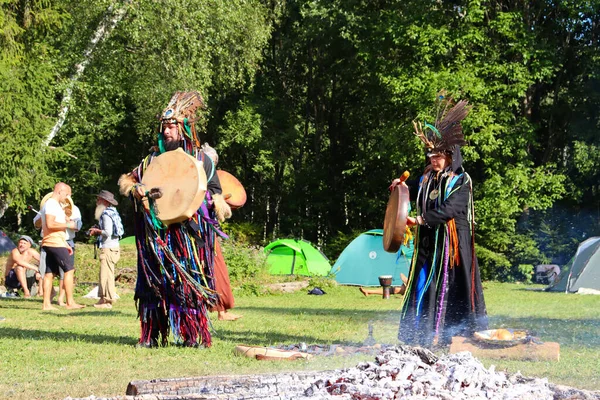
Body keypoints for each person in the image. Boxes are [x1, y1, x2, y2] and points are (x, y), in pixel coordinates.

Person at [118, 91, 231, 347]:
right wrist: (137, 191)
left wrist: (212, 202)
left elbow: (215, 192)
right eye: (164, 127)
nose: (167, 132)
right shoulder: (151, 160)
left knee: (188, 284)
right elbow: (130, 182)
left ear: (185, 130)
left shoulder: (201, 161)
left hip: (188, 236)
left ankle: (194, 336)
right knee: (153, 284)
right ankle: (152, 337)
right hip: (156, 237)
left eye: (172, 127)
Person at [390, 96, 487, 347]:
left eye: (439, 156)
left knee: (448, 286)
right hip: (428, 242)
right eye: (431, 155)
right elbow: (408, 190)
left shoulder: (460, 181)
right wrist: (398, 186)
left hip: (452, 246)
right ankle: (418, 334)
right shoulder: (426, 179)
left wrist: (420, 219)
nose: (434, 160)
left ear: (450, 156)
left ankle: (450, 336)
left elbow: (450, 209)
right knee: (422, 282)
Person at [201, 143, 241, 321]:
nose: (214, 165)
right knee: (212, 267)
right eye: (212, 161)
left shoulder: (212, 177)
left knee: (216, 267)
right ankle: (219, 311)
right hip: (198, 229)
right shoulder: (197, 173)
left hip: (207, 230)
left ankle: (221, 309)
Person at [40, 182, 85, 310]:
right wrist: (68, 225)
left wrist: (65, 243)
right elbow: (50, 224)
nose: (67, 198)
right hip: (54, 243)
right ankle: (70, 302)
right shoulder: (51, 204)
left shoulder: (53, 205)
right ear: (60, 191)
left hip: (53, 242)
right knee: (69, 270)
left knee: (49, 273)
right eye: (66, 194)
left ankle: (46, 305)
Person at [88, 190, 122, 309]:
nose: (97, 202)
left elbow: (108, 232)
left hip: (108, 248)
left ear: (105, 202)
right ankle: (103, 299)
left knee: (106, 275)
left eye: (99, 199)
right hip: (113, 247)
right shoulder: (113, 213)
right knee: (105, 274)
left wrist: (97, 231)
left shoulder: (106, 214)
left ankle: (107, 301)